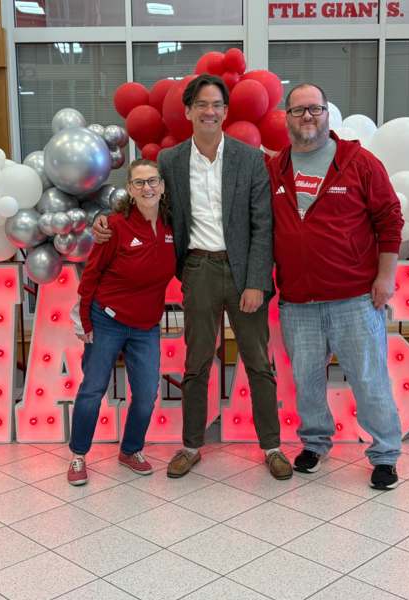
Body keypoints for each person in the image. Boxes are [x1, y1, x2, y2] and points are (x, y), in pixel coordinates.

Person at [94, 74, 292, 480]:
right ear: (187, 111)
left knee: (258, 361)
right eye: (201, 104)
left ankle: (272, 446)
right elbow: (147, 205)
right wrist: (107, 222)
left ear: (225, 111)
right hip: (198, 269)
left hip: (243, 276)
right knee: (197, 363)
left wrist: (256, 281)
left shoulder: (250, 159)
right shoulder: (169, 162)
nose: (209, 111)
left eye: (216, 104)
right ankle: (191, 445)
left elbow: (262, 226)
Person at [267, 83, 404, 489]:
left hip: (354, 299)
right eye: (298, 111)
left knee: (368, 378)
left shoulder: (359, 162)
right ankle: (314, 443)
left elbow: (389, 220)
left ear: (328, 114)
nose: (307, 117)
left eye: (315, 109)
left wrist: (385, 276)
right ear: (286, 117)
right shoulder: (275, 168)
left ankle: (385, 454)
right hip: (298, 301)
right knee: (307, 380)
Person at [66, 159, 175, 486]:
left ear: (162, 186)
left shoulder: (172, 227)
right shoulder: (114, 225)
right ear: (129, 189)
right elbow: (91, 275)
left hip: (146, 326)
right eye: (139, 183)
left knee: (145, 394)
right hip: (106, 320)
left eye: (152, 181)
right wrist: (85, 320)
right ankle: (77, 456)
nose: (147, 188)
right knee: (93, 389)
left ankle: (130, 450)